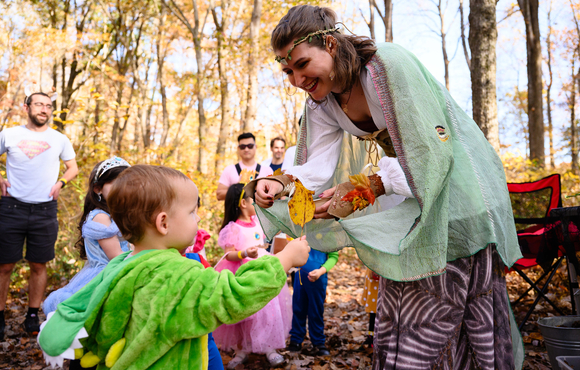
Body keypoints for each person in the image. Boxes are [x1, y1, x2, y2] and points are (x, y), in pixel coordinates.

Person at [246, 5, 524, 370]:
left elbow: (429, 153)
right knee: (403, 304)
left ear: (329, 44)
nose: (297, 79)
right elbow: (318, 163)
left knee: (445, 311)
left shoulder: (386, 65)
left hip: (459, 190)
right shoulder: (322, 99)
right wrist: (278, 182)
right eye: (287, 71)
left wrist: (368, 187)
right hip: (413, 193)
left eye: (301, 64)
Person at [37, 165, 310, 370]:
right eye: (192, 211)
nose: (199, 216)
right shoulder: (176, 275)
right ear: (163, 223)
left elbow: (83, 303)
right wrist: (283, 260)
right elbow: (234, 294)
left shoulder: (120, 264)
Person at [0, 92, 78, 339]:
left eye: (48, 105)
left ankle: (32, 315)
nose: (44, 109)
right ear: (26, 107)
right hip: (11, 207)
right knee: (4, 266)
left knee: (38, 264)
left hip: (45, 210)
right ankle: (0, 316)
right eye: (39, 104)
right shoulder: (10, 135)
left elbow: (72, 166)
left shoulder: (59, 139)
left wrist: (61, 183)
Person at [213, 183, 292, 369]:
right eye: (252, 199)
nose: (255, 203)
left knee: (267, 311)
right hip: (244, 274)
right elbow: (228, 254)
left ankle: (269, 348)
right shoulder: (233, 228)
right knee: (245, 314)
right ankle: (241, 350)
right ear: (243, 203)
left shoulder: (258, 222)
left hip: (262, 271)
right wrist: (244, 254)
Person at [43, 157, 131, 314]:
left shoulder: (119, 215)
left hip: (120, 270)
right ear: (98, 189)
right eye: (116, 183)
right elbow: (117, 257)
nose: (122, 189)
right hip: (105, 276)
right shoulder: (100, 217)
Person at [286, 248, 338, 356]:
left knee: (315, 310)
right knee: (298, 307)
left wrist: (321, 270)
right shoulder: (301, 231)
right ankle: (296, 340)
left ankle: (318, 342)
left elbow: (333, 256)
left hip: (318, 278)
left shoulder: (329, 234)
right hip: (299, 276)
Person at [216, 133, 273, 201]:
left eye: (250, 146)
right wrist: (237, 189)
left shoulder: (267, 170)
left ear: (255, 147)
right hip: (236, 211)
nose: (246, 149)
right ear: (238, 148)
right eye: (242, 146)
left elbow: (274, 195)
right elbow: (219, 195)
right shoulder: (230, 170)